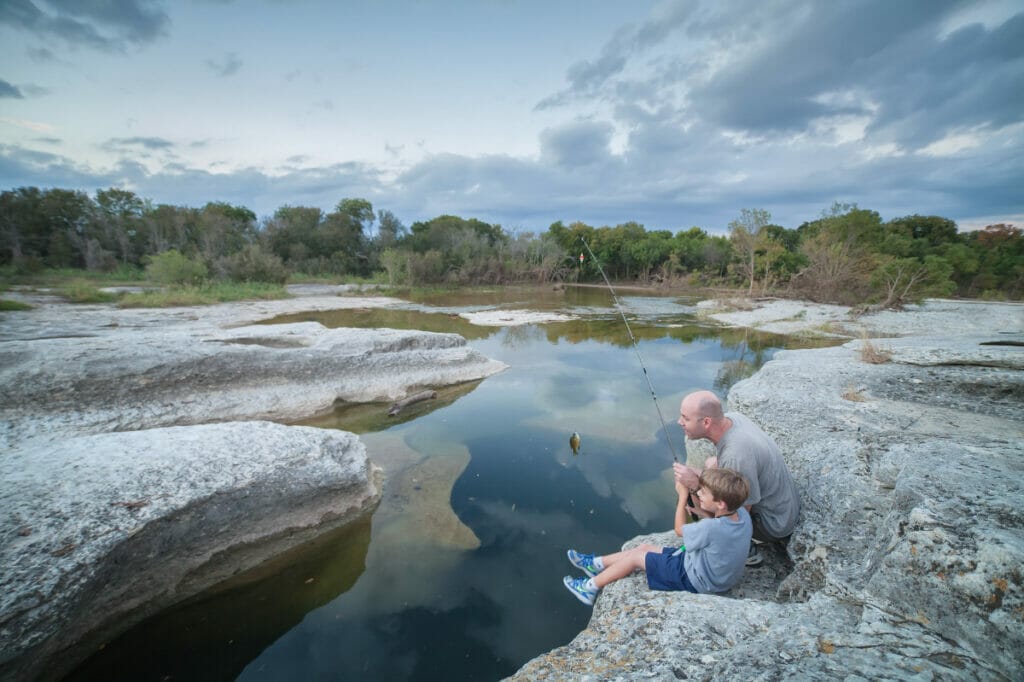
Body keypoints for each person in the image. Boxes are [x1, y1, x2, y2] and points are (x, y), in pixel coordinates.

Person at [563, 468, 752, 606]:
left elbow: (679, 529)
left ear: (721, 503)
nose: (700, 494)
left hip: (696, 579)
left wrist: (682, 496)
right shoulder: (742, 515)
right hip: (714, 574)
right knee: (643, 548)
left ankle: (589, 587)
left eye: (704, 493)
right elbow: (720, 528)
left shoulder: (711, 528)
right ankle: (596, 564)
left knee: (636, 559)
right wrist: (703, 513)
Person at [673, 390, 799, 567]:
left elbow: (739, 512)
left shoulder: (736, 455)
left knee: (704, 493)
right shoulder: (733, 418)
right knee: (711, 464)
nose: (680, 422)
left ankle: (747, 551)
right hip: (782, 506)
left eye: (685, 418)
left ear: (707, 422)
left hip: (773, 523)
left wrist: (695, 486)